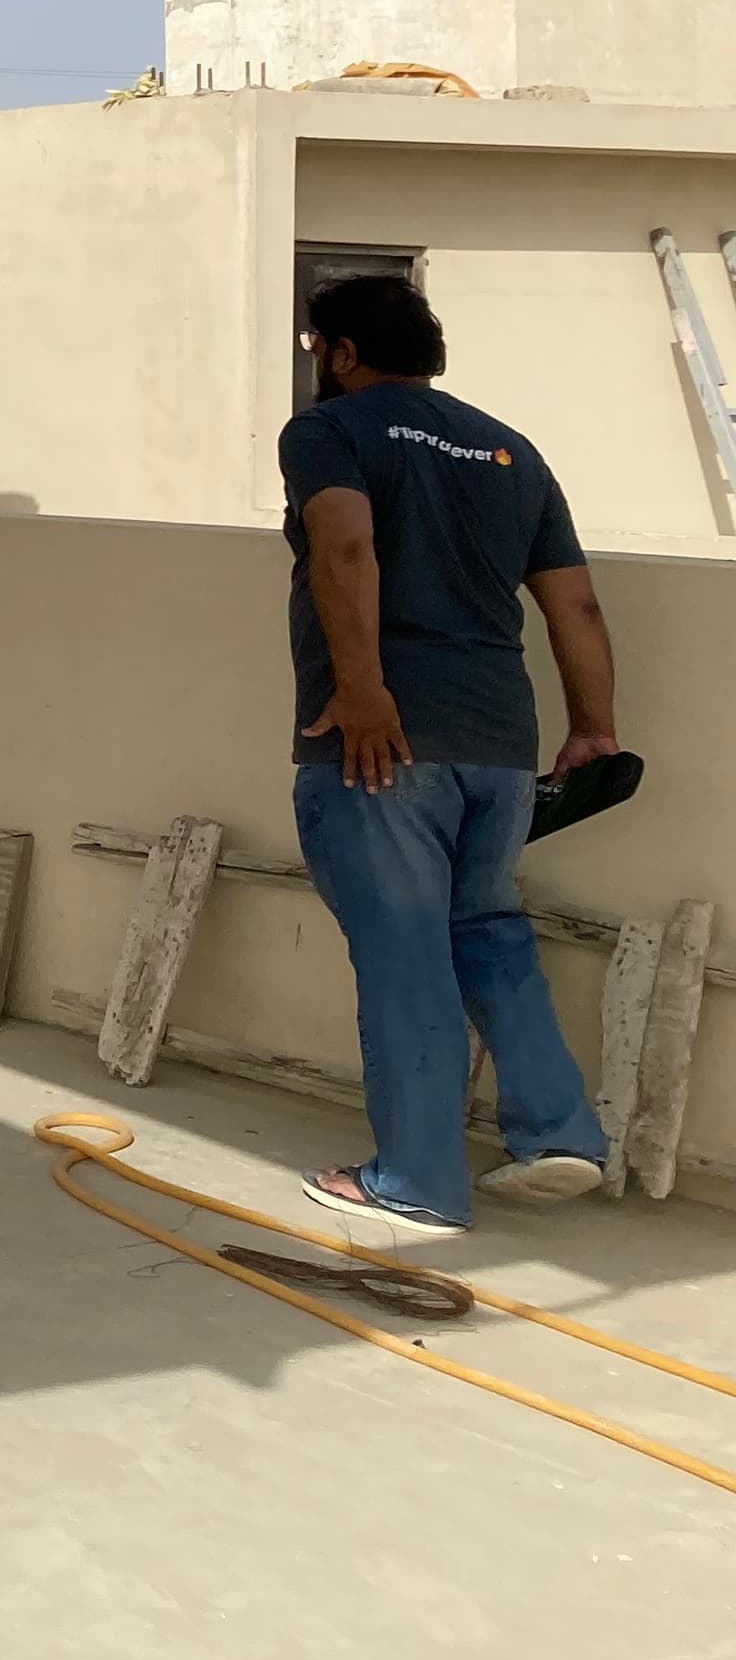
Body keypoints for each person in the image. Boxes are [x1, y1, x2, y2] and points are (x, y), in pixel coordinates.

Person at [282, 271, 619, 1232]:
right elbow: (575, 604)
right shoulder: (509, 449)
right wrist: (591, 725)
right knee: (488, 930)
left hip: (381, 745)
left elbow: (346, 549)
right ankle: (559, 1133)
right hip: (501, 744)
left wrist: (363, 693)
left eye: (320, 349)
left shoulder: (330, 433)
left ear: (342, 355)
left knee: (404, 956)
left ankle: (416, 1180)